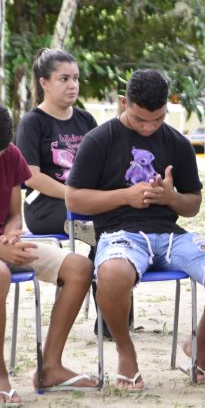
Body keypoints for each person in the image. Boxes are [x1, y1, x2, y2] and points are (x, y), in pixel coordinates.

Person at [65, 69, 205, 389]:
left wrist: (171, 197)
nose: (149, 128)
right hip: (119, 234)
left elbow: (193, 205)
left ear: (167, 107)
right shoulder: (100, 140)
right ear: (124, 103)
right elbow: (74, 199)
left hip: (170, 235)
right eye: (139, 120)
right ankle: (126, 352)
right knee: (111, 274)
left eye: (158, 119)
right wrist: (126, 196)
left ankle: (198, 343)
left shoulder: (177, 142)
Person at [0, 105, 97, 400]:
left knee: (79, 268)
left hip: (7, 244)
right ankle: (0, 374)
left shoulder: (11, 154)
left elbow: (15, 213)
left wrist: (11, 234)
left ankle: (50, 367)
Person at [15, 49, 97, 237]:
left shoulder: (86, 120)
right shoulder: (32, 122)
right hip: (46, 207)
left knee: (118, 216)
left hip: (84, 200)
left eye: (75, 78)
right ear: (44, 83)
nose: (72, 85)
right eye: (64, 79)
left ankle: (101, 261)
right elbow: (31, 177)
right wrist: (73, 194)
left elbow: (102, 164)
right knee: (97, 227)